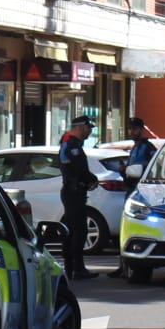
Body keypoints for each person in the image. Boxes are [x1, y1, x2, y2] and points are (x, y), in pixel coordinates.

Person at [107, 117, 157, 278]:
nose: (132, 131)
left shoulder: (147, 148)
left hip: (141, 193)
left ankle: (129, 264)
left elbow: (151, 169)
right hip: (130, 191)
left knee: (135, 229)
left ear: (141, 129)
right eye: (130, 129)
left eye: (134, 129)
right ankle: (123, 265)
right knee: (125, 229)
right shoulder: (135, 147)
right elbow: (131, 171)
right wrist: (123, 170)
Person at [57, 115, 100, 279]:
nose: (89, 131)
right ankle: (76, 268)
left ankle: (71, 267)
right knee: (79, 231)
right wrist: (92, 179)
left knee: (73, 230)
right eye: (89, 128)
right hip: (73, 192)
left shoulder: (69, 144)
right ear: (81, 127)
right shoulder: (72, 146)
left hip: (73, 191)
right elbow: (80, 169)